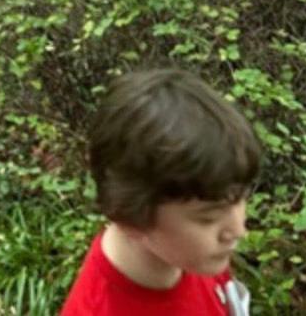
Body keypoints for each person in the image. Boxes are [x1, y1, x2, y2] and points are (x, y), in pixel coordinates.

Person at [61, 68, 259, 315]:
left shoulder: (188, 255)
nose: (238, 230)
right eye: (208, 217)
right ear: (131, 218)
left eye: (240, 199)